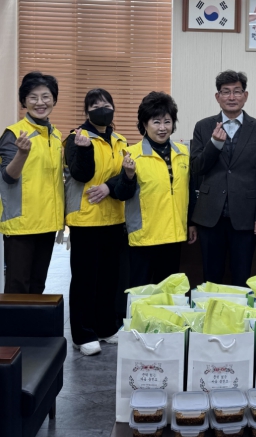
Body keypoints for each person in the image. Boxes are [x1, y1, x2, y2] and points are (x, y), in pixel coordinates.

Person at [190, 70, 256, 287]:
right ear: (218, 97)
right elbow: (196, 168)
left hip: (245, 215)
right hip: (210, 215)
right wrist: (214, 144)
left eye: (237, 91)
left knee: (241, 276)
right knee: (211, 277)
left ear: (245, 95)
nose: (232, 97)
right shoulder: (203, 126)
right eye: (226, 92)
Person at [64, 88, 127, 356]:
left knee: (109, 278)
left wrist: (108, 187)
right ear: (86, 111)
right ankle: (83, 334)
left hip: (114, 217)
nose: (102, 109)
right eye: (95, 105)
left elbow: (126, 174)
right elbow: (81, 174)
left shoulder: (120, 140)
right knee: (85, 280)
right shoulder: (76, 137)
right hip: (85, 219)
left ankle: (106, 328)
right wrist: (85, 149)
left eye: (106, 104)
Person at [115, 92, 197, 287]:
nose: (162, 128)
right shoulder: (131, 154)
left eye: (167, 122)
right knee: (140, 292)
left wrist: (191, 223)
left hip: (173, 235)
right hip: (145, 237)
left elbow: (189, 191)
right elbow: (121, 194)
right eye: (156, 122)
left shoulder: (183, 153)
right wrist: (128, 175)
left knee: (167, 293)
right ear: (144, 124)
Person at [0, 71, 64, 294]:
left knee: (38, 287)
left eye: (46, 96)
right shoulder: (14, 134)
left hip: (47, 223)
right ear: (24, 101)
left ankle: (33, 321)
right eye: (33, 97)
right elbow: (7, 177)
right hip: (22, 225)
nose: (40, 102)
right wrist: (21, 154)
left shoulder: (56, 136)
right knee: (17, 288)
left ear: (54, 100)